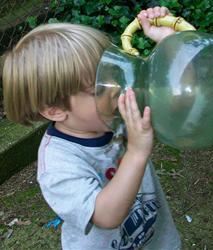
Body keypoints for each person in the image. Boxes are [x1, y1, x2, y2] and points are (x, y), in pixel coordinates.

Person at [3, 6, 181, 250]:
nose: (116, 88)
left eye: (113, 75)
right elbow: (106, 215)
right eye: (98, 88)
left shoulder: (114, 110)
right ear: (54, 109)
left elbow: (173, 97)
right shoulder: (58, 164)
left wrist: (169, 42)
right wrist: (137, 153)